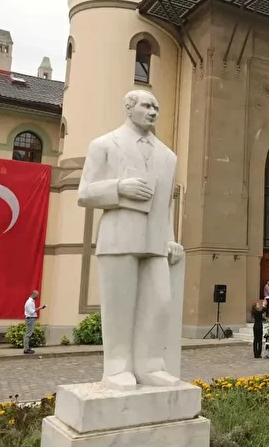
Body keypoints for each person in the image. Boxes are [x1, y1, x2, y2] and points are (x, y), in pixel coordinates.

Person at [77, 89, 185, 389]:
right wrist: (119, 188)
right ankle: (117, 367)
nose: (153, 112)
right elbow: (84, 193)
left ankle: (150, 365)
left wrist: (171, 238)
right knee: (119, 307)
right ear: (128, 108)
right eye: (147, 106)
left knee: (159, 302)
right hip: (118, 237)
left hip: (156, 242)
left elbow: (167, 204)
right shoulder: (104, 144)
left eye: (156, 108)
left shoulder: (167, 155)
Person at [23, 290, 46, 355]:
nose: (37, 297)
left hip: (31, 319)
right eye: (37, 296)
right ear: (34, 295)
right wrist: (39, 308)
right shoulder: (29, 302)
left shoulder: (31, 301)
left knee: (29, 334)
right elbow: (31, 312)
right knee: (28, 334)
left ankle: (27, 348)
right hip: (30, 319)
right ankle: (26, 349)